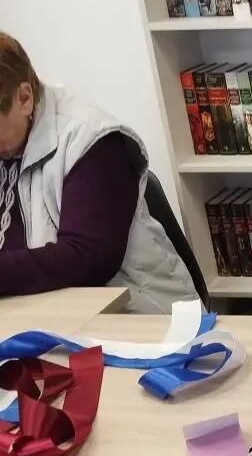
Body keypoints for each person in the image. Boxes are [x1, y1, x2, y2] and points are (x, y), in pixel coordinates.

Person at [0, 32, 198, 313]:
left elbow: (88, 258)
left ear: (24, 98)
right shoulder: (9, 144)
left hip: (140, 317)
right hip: (45, 315)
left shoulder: (92, 141)